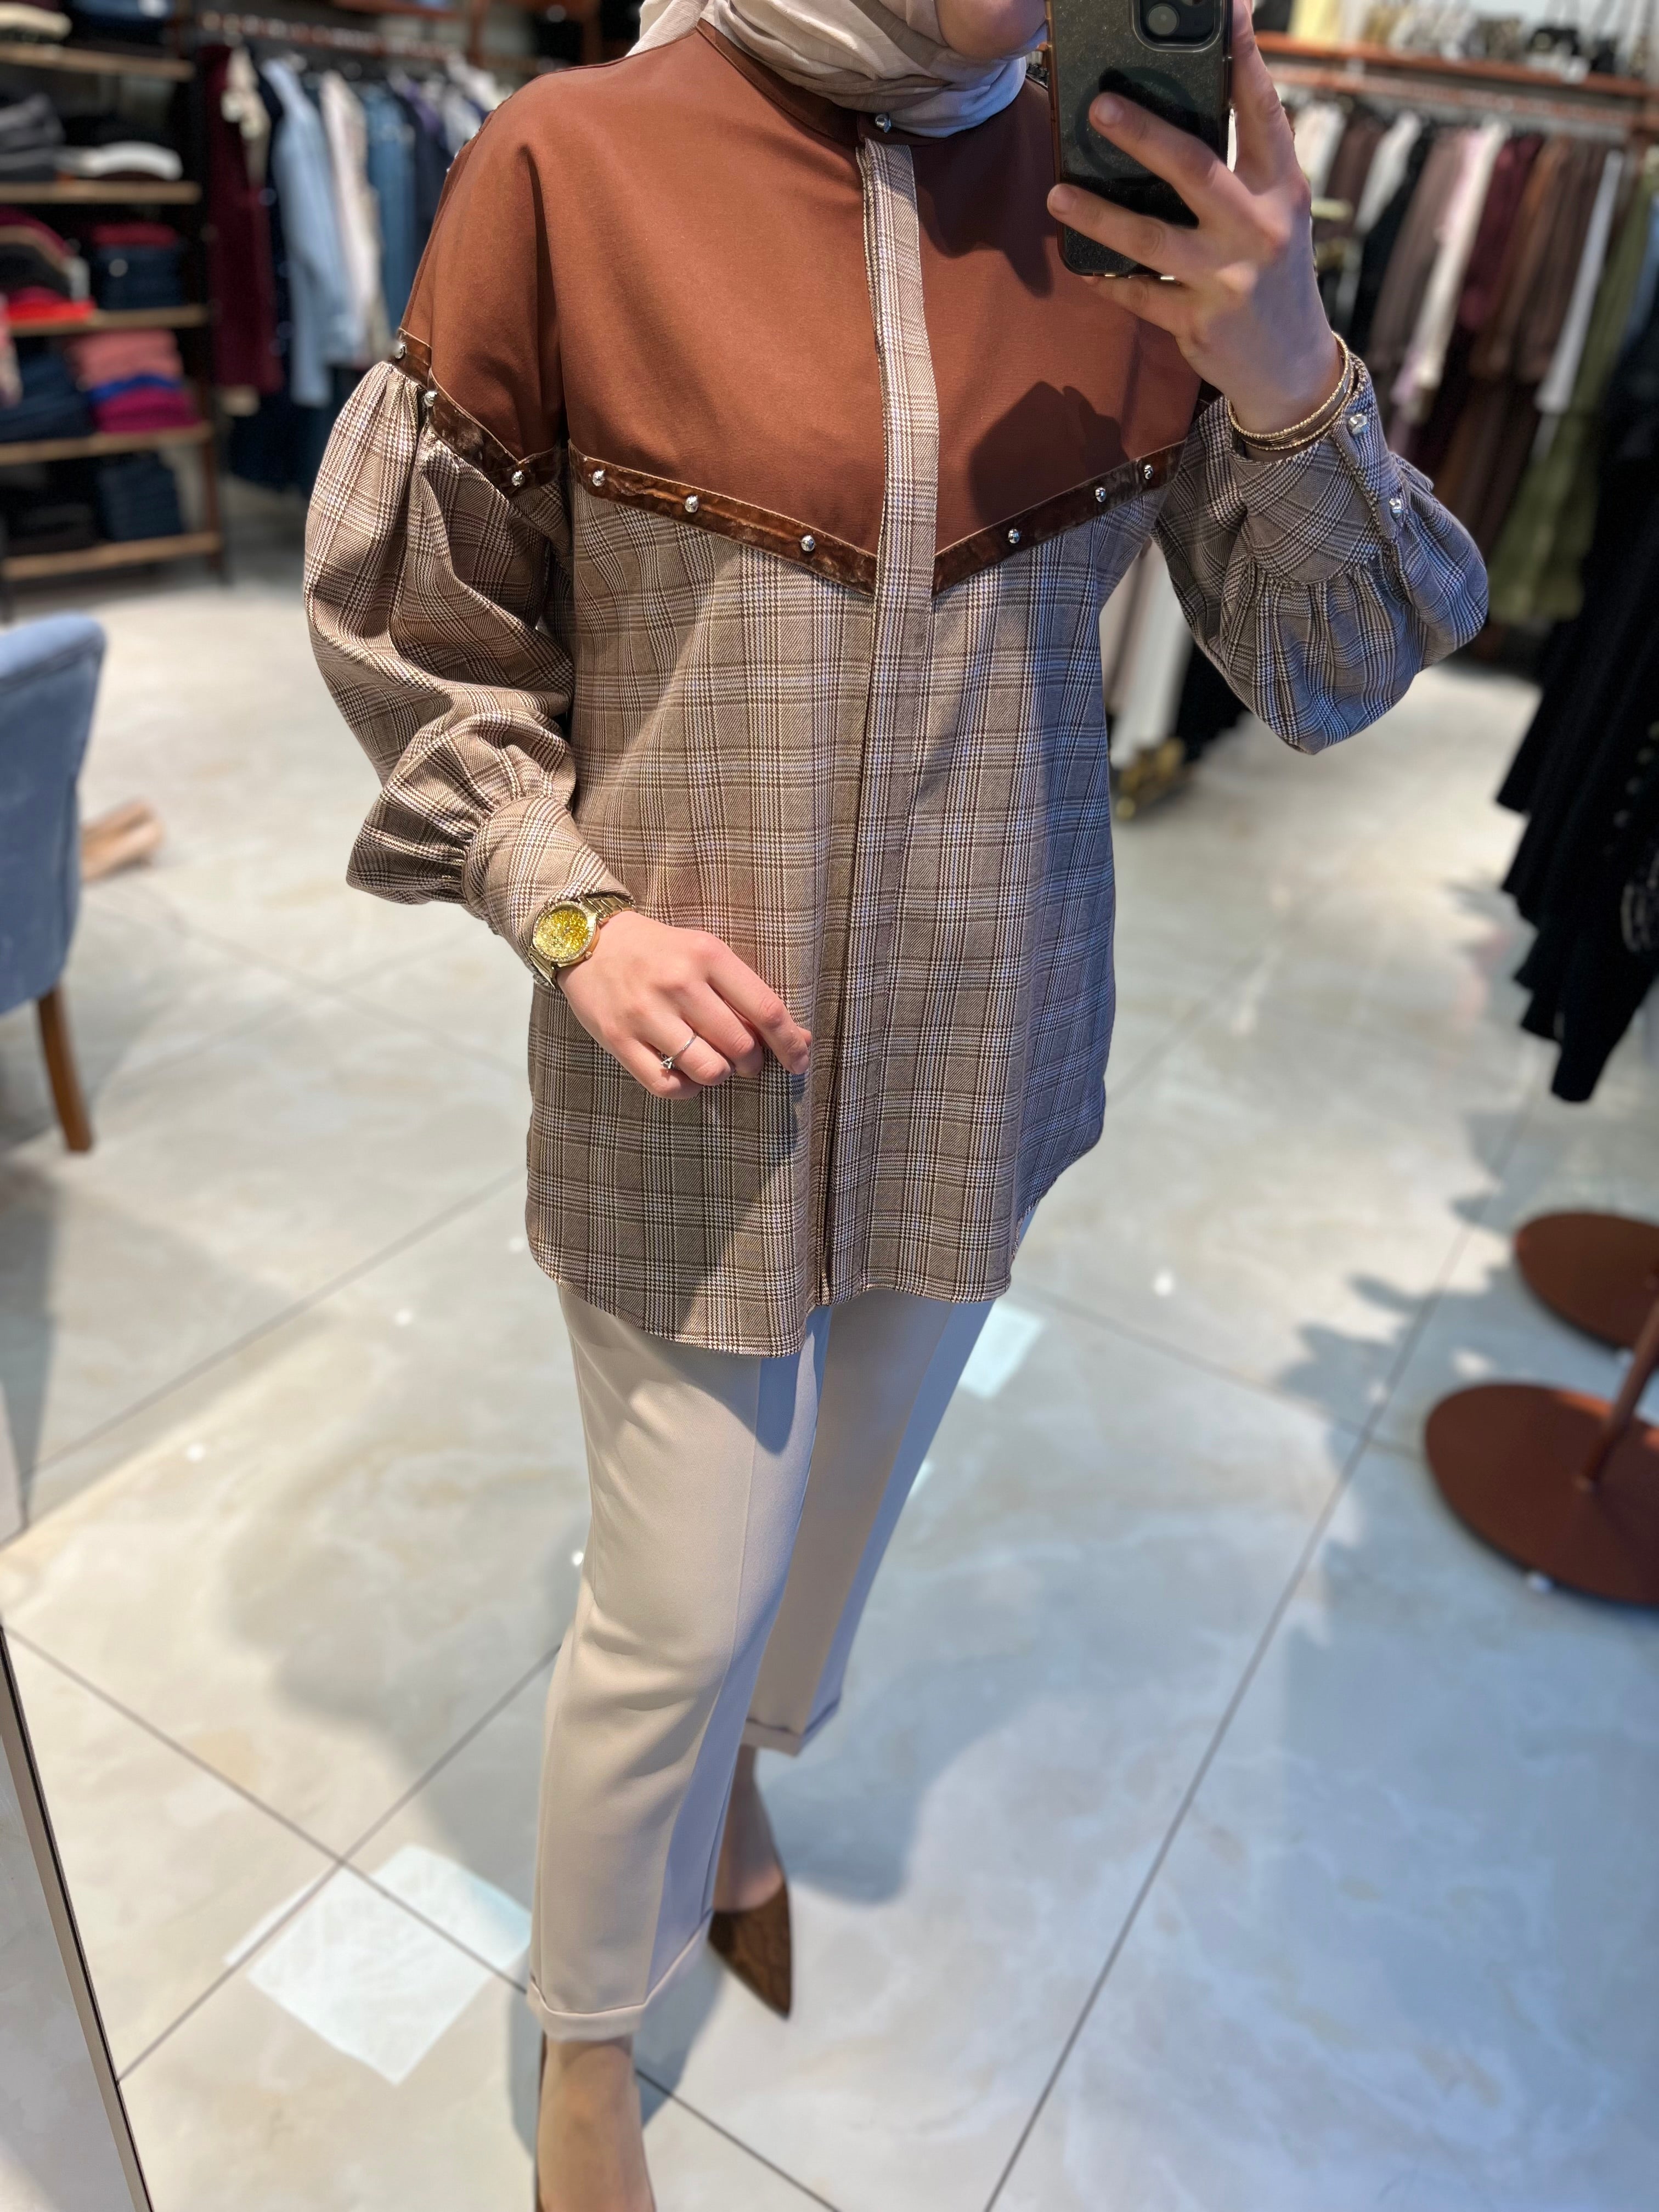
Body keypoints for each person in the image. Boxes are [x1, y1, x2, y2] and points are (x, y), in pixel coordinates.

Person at [305, 0, 1485, 2198]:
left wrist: (1289, 367)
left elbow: (1338, 666)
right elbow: (416, 625)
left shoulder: (1138, 210)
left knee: (838, 1529)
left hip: (982, 1035)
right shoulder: (577, 164)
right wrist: (561, 902)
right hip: (683, 1061)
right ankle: (587, 2033)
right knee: (679, 1597)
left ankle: (751, 1777)